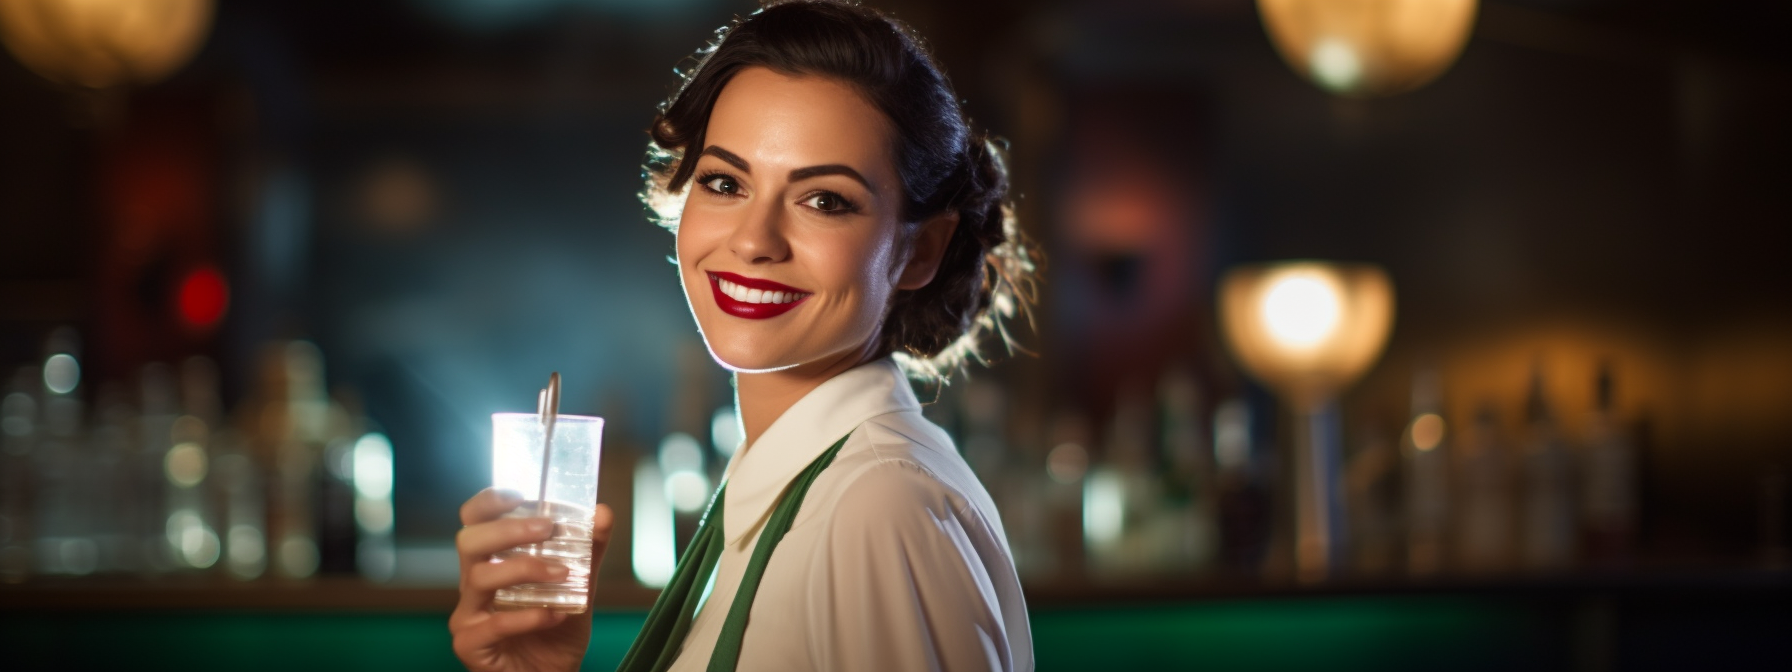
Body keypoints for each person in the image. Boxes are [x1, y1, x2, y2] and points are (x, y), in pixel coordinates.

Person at [450, 2, 1038, 670]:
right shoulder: (786, 488)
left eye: (824, 200)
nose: (755, 241)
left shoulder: (875, 507)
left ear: (922, 249)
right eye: (725, 182)